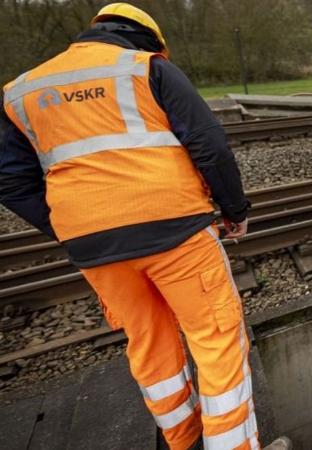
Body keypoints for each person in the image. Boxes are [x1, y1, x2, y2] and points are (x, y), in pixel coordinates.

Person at [0, 3, 262, 449]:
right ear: (150, 39)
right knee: (214, 339)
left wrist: (71, 224)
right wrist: (234, 210)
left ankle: (183, 440)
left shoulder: (21, 91)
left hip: (96, 248)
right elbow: (209, 143)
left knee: (149, 342)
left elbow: (10, 179)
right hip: (177, 232)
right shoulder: (148, 68)